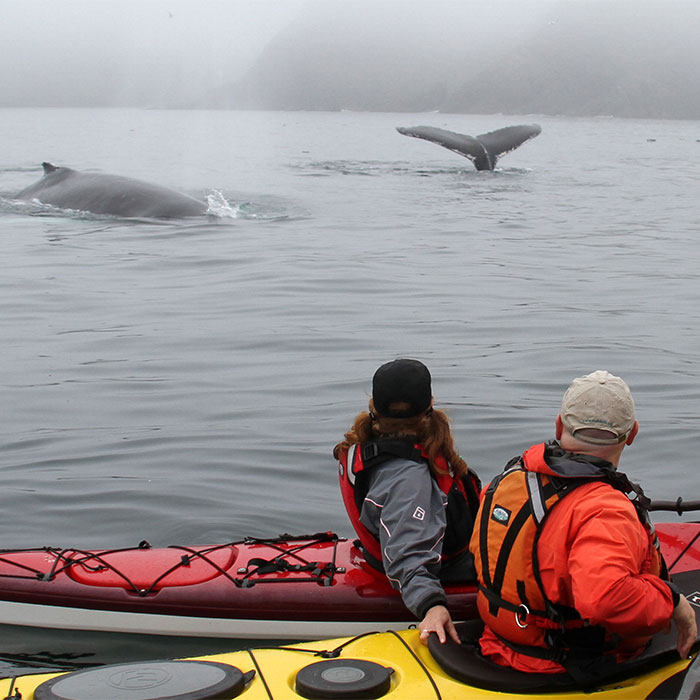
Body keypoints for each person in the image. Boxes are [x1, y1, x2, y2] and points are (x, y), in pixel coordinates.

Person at [469, 370, 697, 679]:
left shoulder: (509, 479)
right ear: (632, 434)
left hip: (501, 641)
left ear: (559, 424)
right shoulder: (605, 510)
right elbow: (606, 599)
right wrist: (673, 603)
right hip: (566, 663)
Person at [334, 358, 481, 645]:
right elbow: (408, 555)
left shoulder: (361, 446)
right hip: (445, 567)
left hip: (384, 550)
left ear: (374, 408)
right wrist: (432, 606)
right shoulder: (409, 478)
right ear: (430, 405)